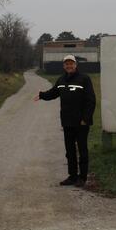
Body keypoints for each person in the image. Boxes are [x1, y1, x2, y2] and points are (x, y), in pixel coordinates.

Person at [34, 54, 96, 187]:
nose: (69, 66)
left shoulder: (84, 79)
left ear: (75, 65)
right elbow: (53, 93)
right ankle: (72, 176)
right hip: (67, 122)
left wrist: (86, 118)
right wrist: (41, 95)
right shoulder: (61, 80)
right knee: (70, 151)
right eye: (66, 64)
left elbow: (91, 100)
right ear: (64, 66)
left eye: (71, 63)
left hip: (81, 123)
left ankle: (82, 177)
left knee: (82, 150)